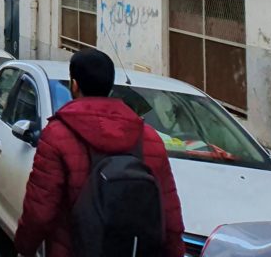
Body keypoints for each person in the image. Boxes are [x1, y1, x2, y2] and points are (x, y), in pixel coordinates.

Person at [14, 49, 185, 257]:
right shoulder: (148, 138)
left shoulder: (58, 134)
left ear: (74, 85)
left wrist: (24, 248)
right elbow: (170, 215)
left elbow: (40, 211)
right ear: (110, 86)